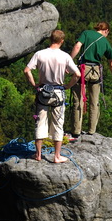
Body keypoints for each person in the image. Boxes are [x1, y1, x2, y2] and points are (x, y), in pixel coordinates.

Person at [24, 30, 80, 163]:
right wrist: (68, 85)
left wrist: (34, 84)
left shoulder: (40, 54)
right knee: (58, 124)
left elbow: (27, 70)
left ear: (50, 39)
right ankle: (57, 156)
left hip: (43, 91)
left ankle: (38, 155)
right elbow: (77, 74)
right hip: (58, 92)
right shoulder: (65, 56)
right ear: (62, 41)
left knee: (40, 123)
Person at [68, 21, 112, 138]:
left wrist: (69, 62)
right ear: (106, 31)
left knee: (78, 99)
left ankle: (76, 130)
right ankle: (91, 130)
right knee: (94, 101)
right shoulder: (105, 41)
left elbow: (77, 46)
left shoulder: (86, 33)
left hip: (83, 70)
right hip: (96, 71)